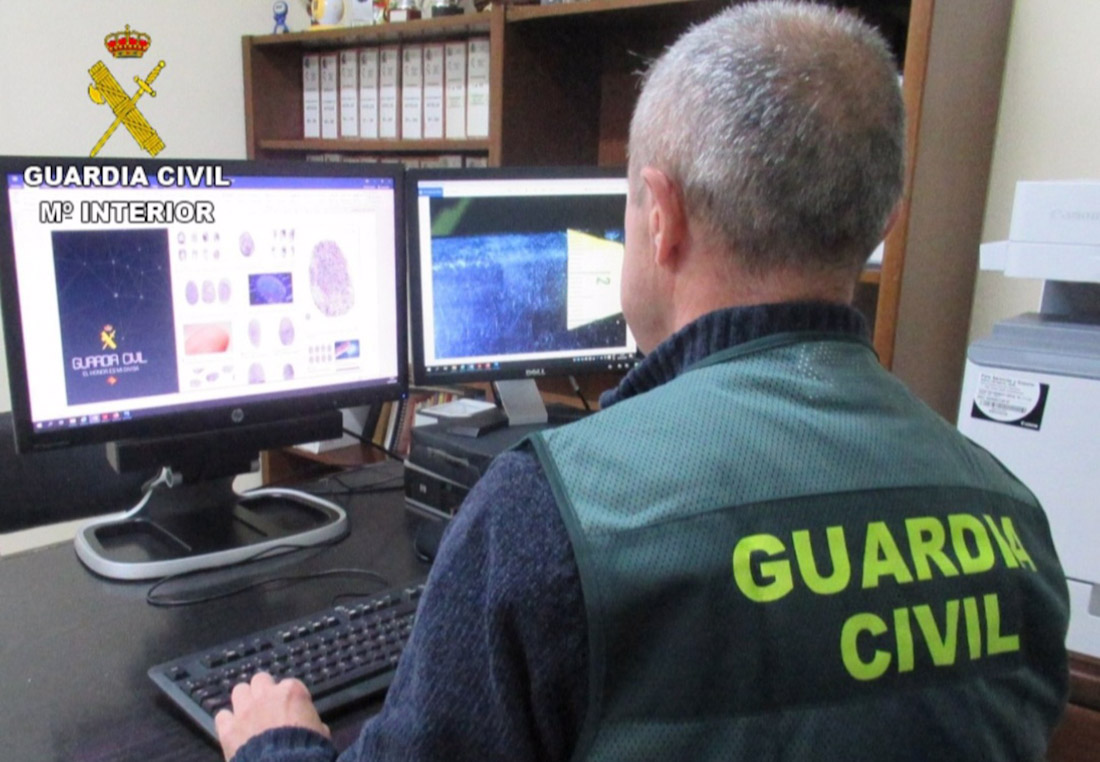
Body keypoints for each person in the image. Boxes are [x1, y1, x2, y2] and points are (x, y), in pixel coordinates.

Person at [216, 2, 1071, 760]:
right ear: (882, 216)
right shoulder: (1015, 520)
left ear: (662, 218)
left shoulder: (550, 516)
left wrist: (274, 742)